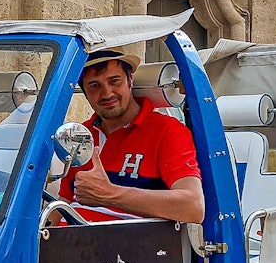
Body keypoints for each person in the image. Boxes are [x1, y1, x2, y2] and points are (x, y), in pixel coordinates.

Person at [59, 48, 205, 224]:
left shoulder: (167, 131)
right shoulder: (79, 135)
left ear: (130, 79)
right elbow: (63, 204)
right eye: (94, 85)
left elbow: (193, 207)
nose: (107, 93)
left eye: (115, 81)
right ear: (84, 91)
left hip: (133, 247)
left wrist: (109, 194)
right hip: (67, 244)